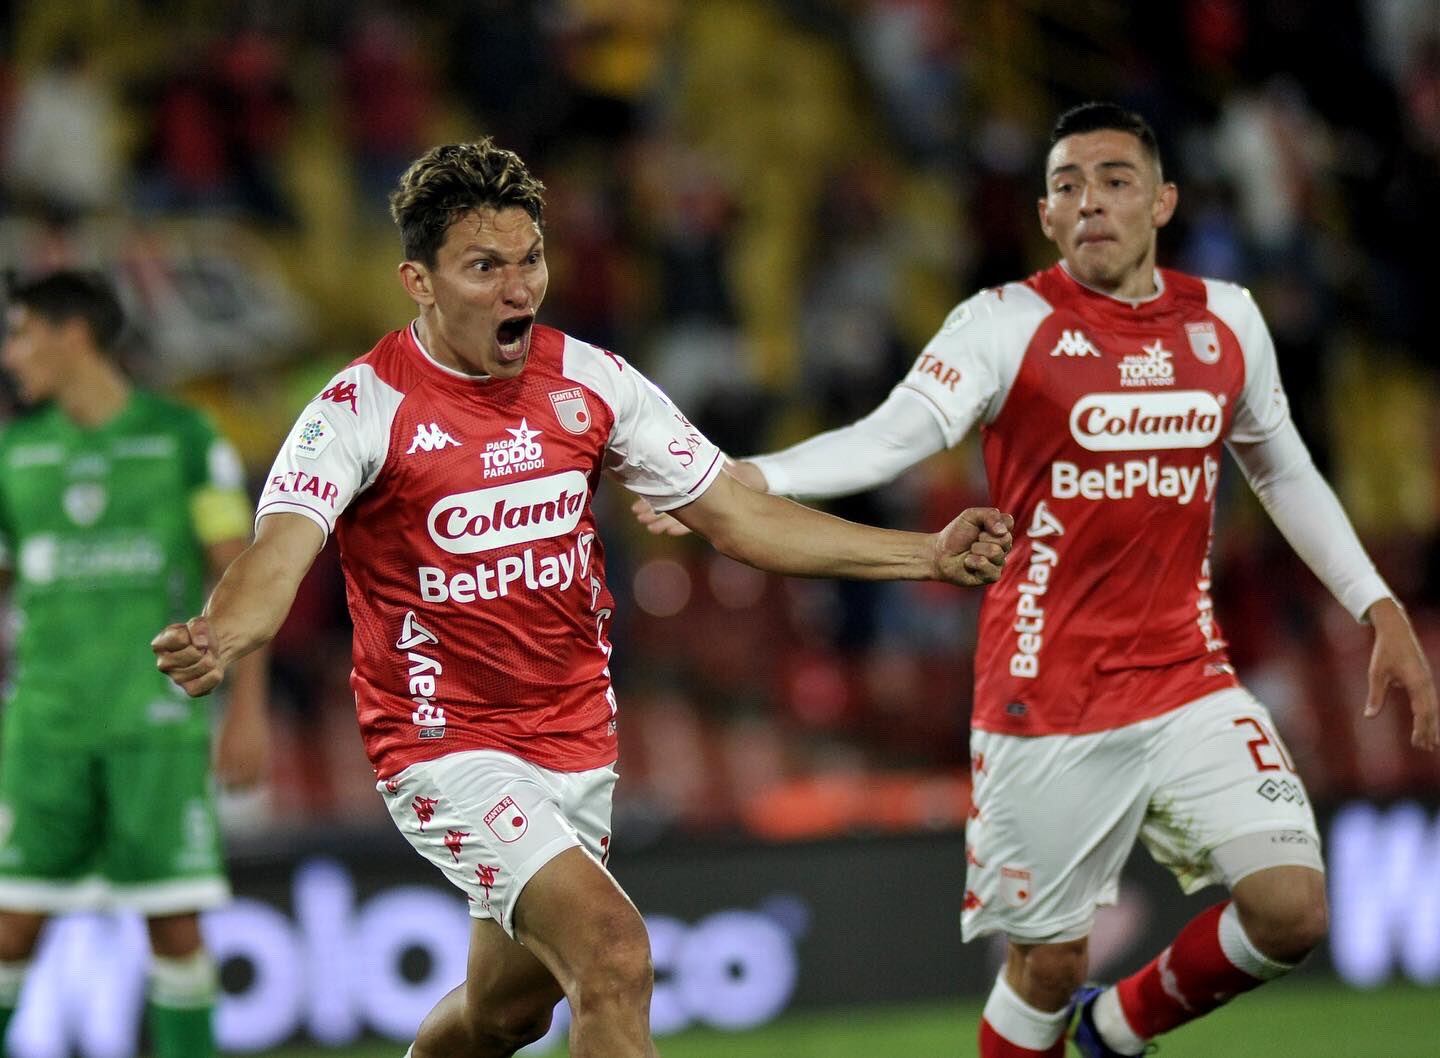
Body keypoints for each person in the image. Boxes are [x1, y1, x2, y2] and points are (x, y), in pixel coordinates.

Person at [148, 139, 1014, 1058]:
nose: (519, 288)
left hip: (576, 744)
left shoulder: (591, 381)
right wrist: (223, 632)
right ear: (419, 280)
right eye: (485, 267)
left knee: (504, 1015)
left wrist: (925, 552)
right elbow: (278, 552)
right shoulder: (360, 408)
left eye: (530, 261)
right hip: (445, 744)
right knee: (613, 953)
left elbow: (736, 517)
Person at [633, 102, 1439, 1058]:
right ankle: (1075, 1016)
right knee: (1045, 968)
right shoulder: (1004, 324)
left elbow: (1284, 470)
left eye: (1114, 179)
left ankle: (1117, 1027)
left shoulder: (1229, 319)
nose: (1089, 200)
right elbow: (894, 437)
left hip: (1189, 678)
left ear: (1164, 201)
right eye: (1066, 185)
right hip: (1044, 698)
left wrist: (1377, 605)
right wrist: (745, 479)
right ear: (1048, 217)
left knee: (1292, 911)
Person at [0, 271, 268, 1058]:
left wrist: (244, 711)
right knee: (11, 929)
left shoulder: (186, 439)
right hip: (44, 731)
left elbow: (241, 575)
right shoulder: (15, 455)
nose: (11, 355)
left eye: (20, 334)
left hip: (155, 729)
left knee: (176, 925)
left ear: (71, 333)